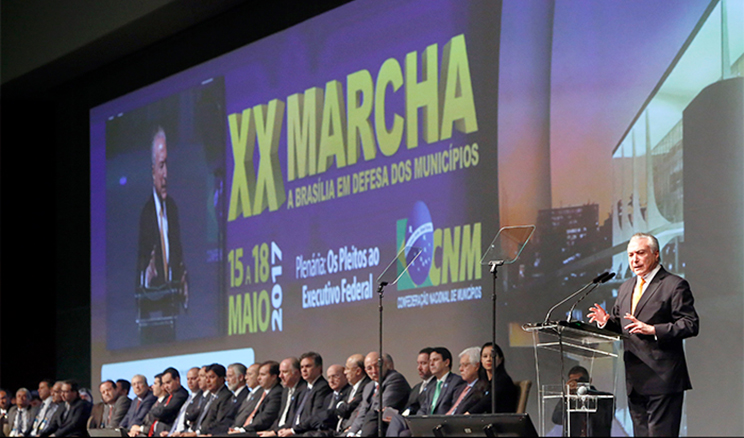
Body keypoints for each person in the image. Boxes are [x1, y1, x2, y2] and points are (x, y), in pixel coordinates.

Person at [588, 232, 699, 437]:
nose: (634, 260)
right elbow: (623, 326)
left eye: (640, 253)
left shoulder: (674, 284)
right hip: (635, 381)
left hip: (663, 379)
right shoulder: (625, 287)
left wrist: (654, 329)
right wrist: (606, 323)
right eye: (631, 255)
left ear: (656, 254)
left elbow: (690, 324)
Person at [136, 127, 188, 318]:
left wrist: (183, 279)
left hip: (173, 315)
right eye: (160, 166)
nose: (165, 174)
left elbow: (179, 258)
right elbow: (137, 273)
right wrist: (146, 278)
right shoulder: (144, 215)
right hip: (152, 314)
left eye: (167, 165)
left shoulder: (173, 209)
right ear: (152, 171)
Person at [347, 351, 410, 437]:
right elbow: (362, 412)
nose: (374, 371)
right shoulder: (369, 386)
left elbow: (380, 408)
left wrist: (359, 434)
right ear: (365, 371)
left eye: (377, 366)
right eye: (369, 368)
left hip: (385, 427)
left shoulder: (395, 379)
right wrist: (351, 433)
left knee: (373, 414)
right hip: (368, 428)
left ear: (385, 365)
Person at [276, 352, 331, 437]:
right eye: (302, 367)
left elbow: (314, 417)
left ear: (319, 368)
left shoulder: (322, 387)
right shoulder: (303, 389)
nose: (304, 370)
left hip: (306, 432)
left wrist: (293, 430)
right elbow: (293, 417)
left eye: (308, 366)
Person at [550, 366, 613, 437]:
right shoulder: (570, 399)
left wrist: (585, 394)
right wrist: (567, 395)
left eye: (580, 381)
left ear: (589, 381)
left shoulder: (606, 398)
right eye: (574, 382)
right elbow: (556, 419)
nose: (577, 385)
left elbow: (603, 419)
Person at [230, 361, 283, 435]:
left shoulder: (277, 393)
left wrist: (243, 430)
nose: (259, 378)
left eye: (263, 375)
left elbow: (266, 418)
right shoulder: (264, 393)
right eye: (259, 375)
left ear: (274, 377)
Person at [468, 342, 518, 413]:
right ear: (481, 360)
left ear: (500, 359)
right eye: (485, 356)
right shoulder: (483, 381)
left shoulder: (503, 380)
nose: (489, 359)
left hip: (500, 421)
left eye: (492, 356)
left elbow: (488, 401)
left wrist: (469, 413)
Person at [448, 347, 489, 415]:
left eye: (465, 365)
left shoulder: (483, 388)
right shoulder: (460, 388)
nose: (461, 369)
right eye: (460, 365)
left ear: (477, 366)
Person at [401, 348, 434, 416]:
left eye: (423, 363)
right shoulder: (416, 388)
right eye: (418, 363)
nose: (419, 368)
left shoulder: (437, 386)